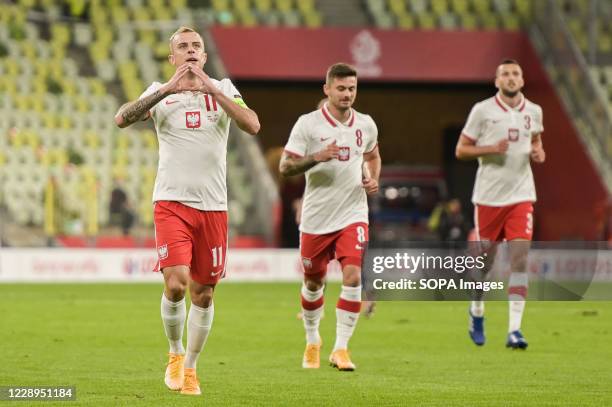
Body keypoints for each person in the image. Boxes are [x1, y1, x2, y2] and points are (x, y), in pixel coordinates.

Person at [114, 26, 260, 395]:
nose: (191, 51)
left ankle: (192, 368)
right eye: (183, 47)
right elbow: (122, 118)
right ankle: (176, 354)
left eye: (197, 46)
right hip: (171, 203)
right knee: (176, 284)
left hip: (213, 207)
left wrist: (211, 88)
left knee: (204, 295)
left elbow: (252, 124)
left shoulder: (224, 89)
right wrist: (166, 90)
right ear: (172, 58)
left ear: (205, 57)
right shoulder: (158, 93)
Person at [279, 63, 381, 371]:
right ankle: (313, 340)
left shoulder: (366, 124)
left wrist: (373, 178)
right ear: (327, 89)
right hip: (316, 218)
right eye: (341, 88)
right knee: (313, 284)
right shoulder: (308, 125)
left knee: (352, 277)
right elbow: (285, 167)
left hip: (353, 213)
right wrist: (316, 157)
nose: (347, 94)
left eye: (351, 88)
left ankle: (341, 348)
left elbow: (373, 156)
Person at [455, 59, 545, 350]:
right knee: (486, 265)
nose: (510, 78)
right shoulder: (483, 110)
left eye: (515, 73)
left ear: (522, 79)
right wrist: (490, 148)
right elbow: (461, 150)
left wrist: (537, 151)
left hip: (521, 195)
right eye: (504, 74)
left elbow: (536, 140)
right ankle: (477, 310)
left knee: (519, 258)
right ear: (497, 81)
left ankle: (514, 330)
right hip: (489, 198)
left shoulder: (534, 111)